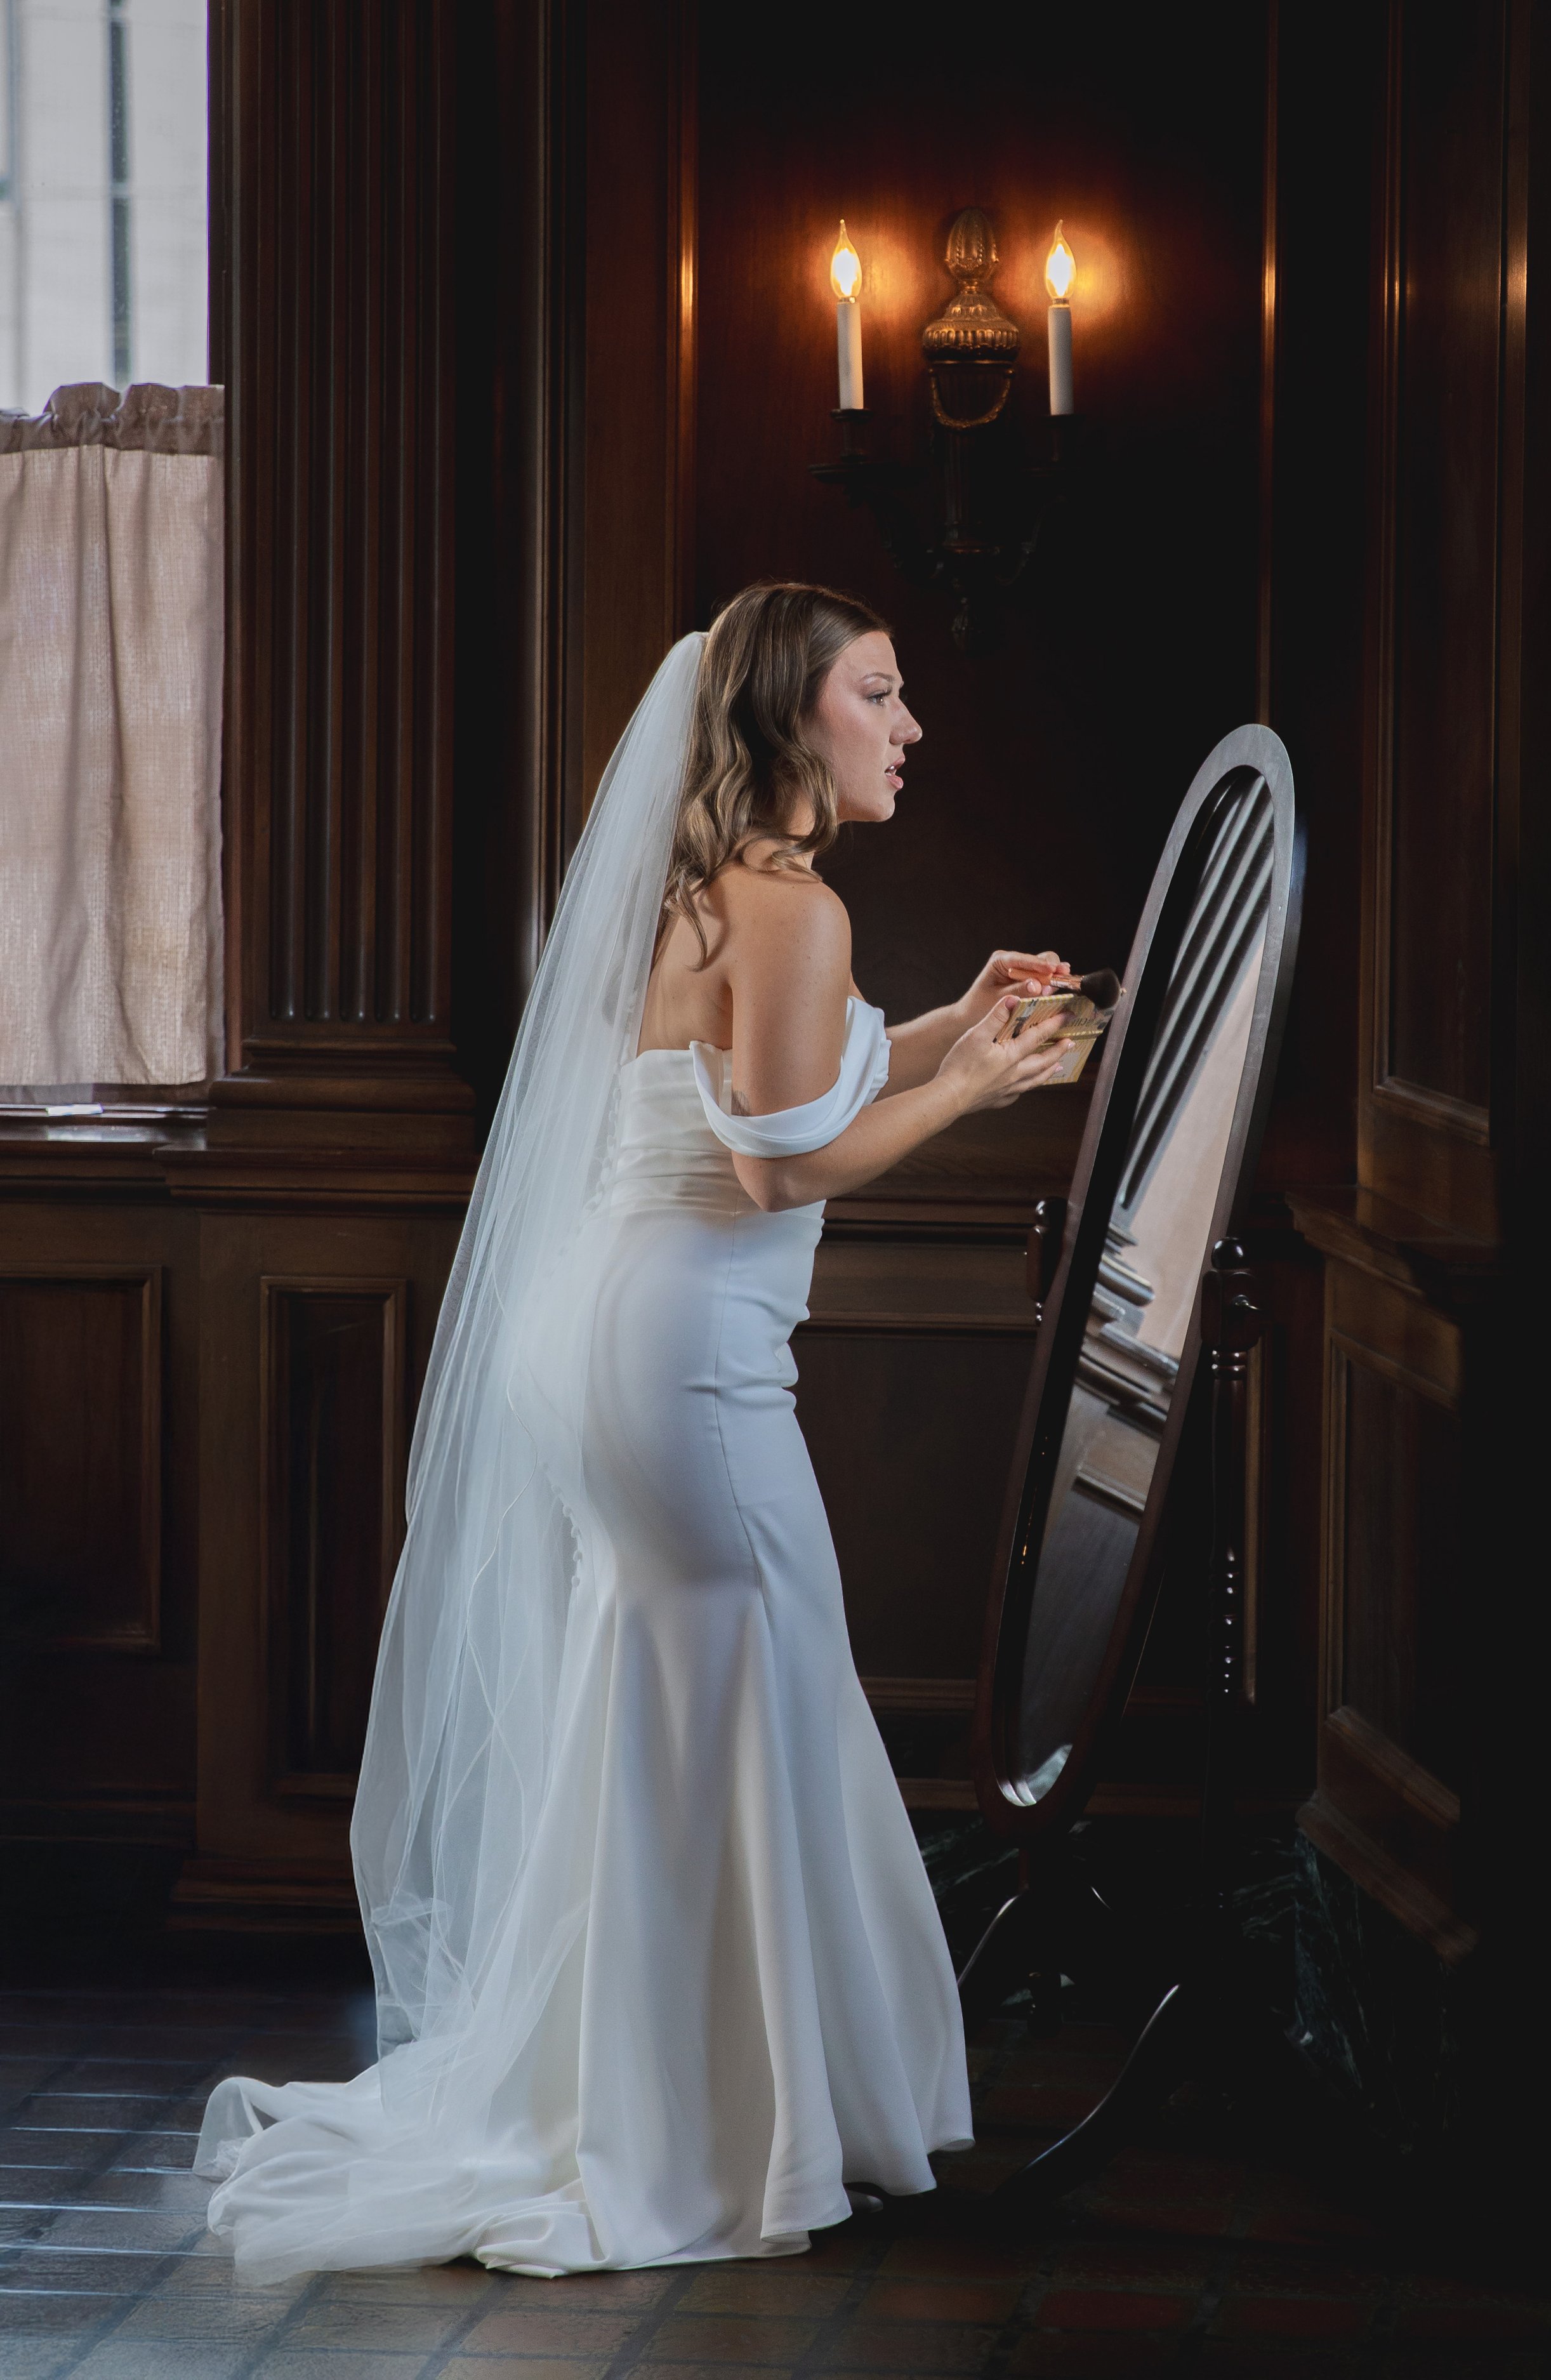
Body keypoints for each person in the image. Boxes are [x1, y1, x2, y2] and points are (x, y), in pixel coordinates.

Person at [196, 583, 1076, 2282]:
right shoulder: (793, 909)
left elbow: (769, 1087)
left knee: (669, 1716)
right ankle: (692, 2139)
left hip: (596, 1335)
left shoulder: (698, 896)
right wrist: (976, 1091)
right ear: (787, 719)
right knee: (735, 1702)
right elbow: (772, 1165)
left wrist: (944, 1025)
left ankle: (668, 2108)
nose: (907, 728)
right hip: (679, 1358)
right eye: (877, 696)